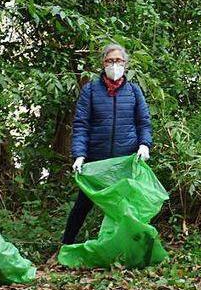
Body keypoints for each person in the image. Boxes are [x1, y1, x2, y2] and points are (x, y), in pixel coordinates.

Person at [64, 43, 153, 245]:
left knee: (128, 209)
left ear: (126, 64)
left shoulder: (133, 91)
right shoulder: (91, 91)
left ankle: (133, 249)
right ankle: (65, 246)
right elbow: (81, 125)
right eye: (110, 60)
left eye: (118, 60)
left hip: (125, 162)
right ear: (103, 63)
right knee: (82, 206)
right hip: (97, 161)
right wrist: (79, 155)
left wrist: (144, 144)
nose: (114, 64)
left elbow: (143, 122)